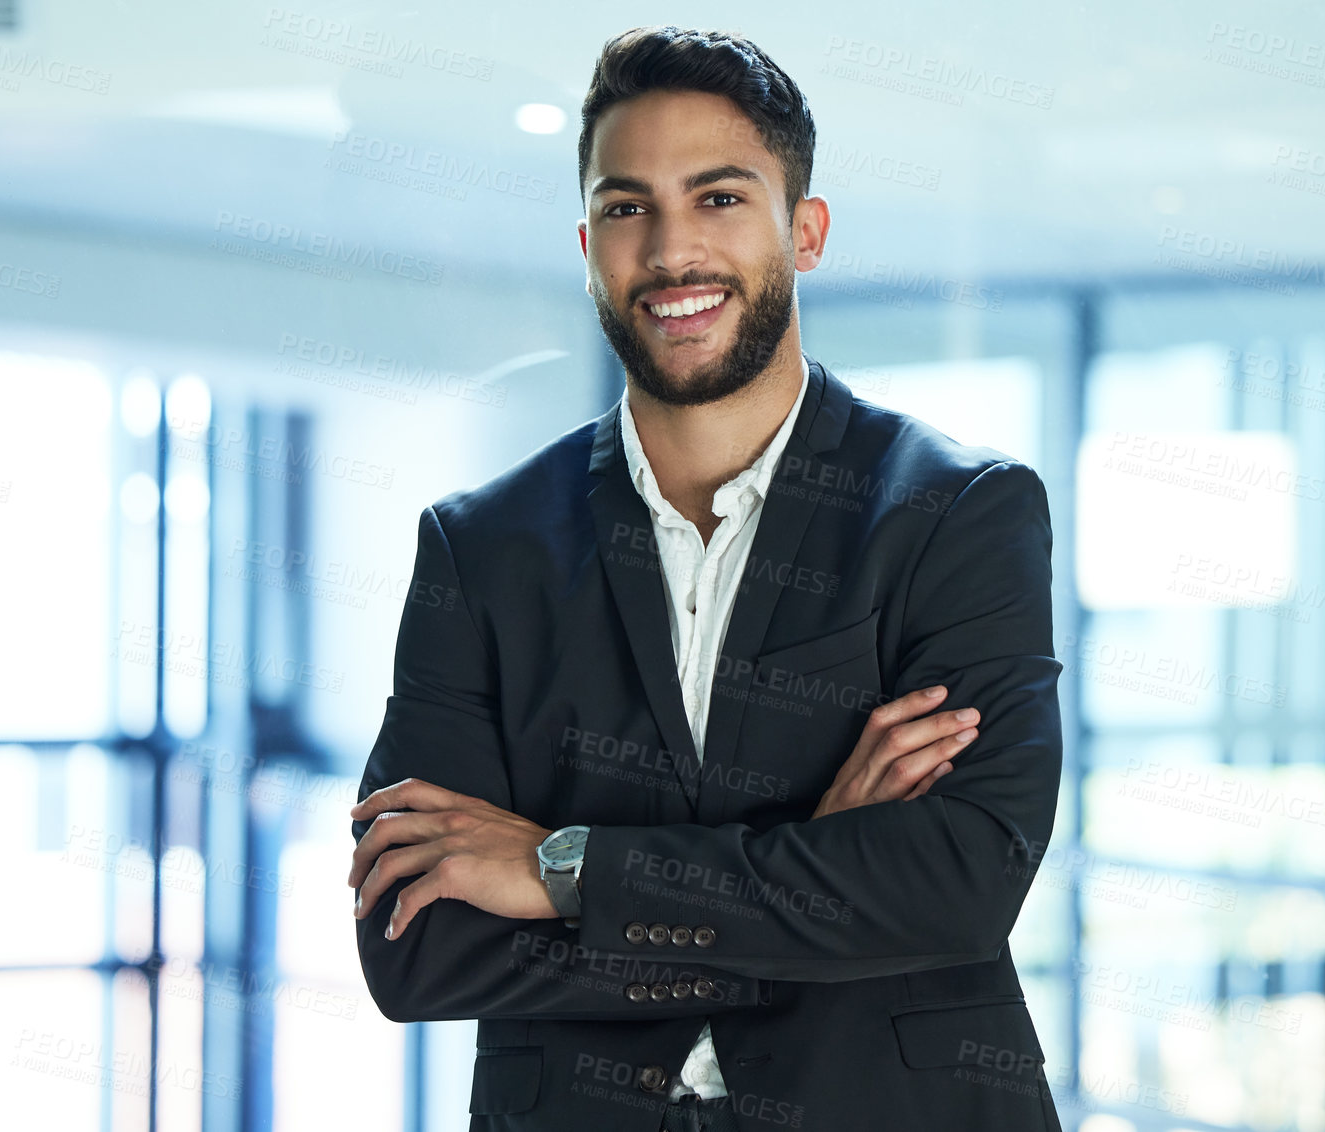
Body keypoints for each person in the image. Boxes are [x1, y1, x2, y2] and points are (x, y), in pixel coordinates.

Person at [348, 25, 1065, 1132]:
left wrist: (564, 868)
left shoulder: (954, 513)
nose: (673, 250)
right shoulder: (481, 546)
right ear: (588, 242)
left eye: (720, 198)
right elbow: (420, 946)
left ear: (805, 231)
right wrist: (819, 881)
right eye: (630, 207)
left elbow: (959, 881)